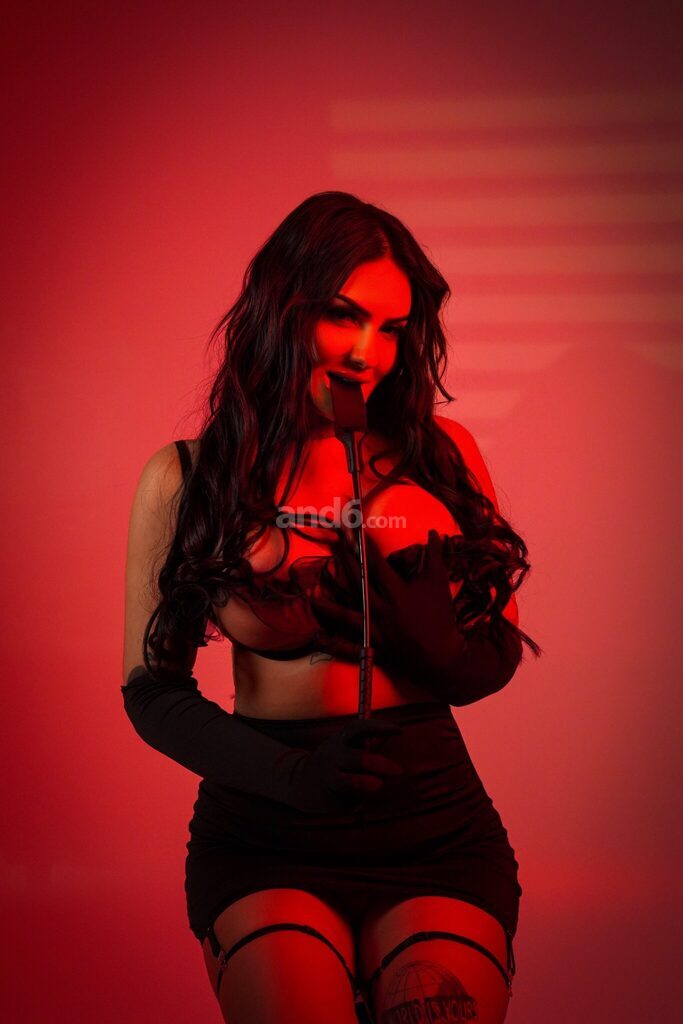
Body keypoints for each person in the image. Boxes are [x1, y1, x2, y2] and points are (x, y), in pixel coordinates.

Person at [121, 190, 542, 1024]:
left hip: (435, 832)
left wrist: (437, 649)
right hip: (265, 834)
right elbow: (152, 691)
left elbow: (494, 656)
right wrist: (290, 776)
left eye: (391, 328)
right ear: (283, 308)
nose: (365, 353)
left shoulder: (440, 455)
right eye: (343, 316)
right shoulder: (187, 476)